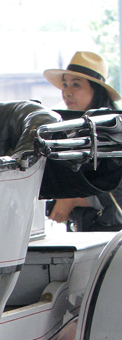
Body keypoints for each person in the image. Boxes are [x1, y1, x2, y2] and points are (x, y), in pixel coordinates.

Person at [43, 51, 122, 231]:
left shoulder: (115, 130)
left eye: (76, 85)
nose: (67, 93)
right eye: (65, 85)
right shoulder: (70, 130)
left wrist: (73, 200)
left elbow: (118, 188)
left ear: (97, 90)